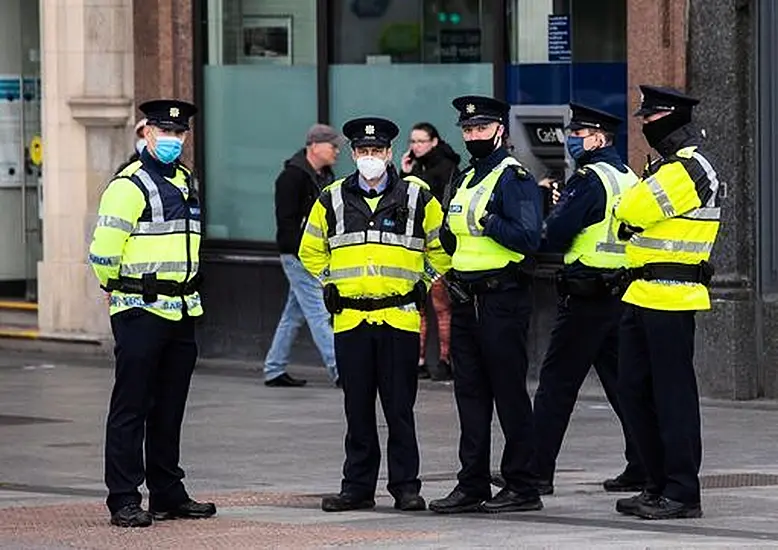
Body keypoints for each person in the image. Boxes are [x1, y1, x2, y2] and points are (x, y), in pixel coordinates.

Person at [299, 117, 451, 513]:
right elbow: (310, 250)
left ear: (388, 154)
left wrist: (425, 280)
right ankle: (358, 488)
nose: (370, 157)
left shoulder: (416, 197)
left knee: (400, 409)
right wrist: (329, 282)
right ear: (353, 154)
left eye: (376, 151)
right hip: (351, 320)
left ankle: (406, 487)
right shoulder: (331, 197)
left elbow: (441, 249)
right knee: (358, 409)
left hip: (398, 317)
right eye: (363, 151)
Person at [89, 99, 216, 528]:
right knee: (132, 406)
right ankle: (124, 497)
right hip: (140, 309)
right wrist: (114, 289)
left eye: (179, 133)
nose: (172, 140)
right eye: (164, 131)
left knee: (170, 406)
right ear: (146, 133)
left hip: (181, 308)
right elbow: (104, 250)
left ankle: (167, 491)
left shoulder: (185, 181)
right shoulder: (129, 184)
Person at [429, 96, 543, 514]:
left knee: (510, 395)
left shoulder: (514, 178)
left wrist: (489, 222)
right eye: (468, 130)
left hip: (502, 301)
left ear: (499, 130)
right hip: (466, 301)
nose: (473, 136)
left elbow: (529, 238)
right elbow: (452, 234)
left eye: (481, 129)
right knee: (470, 396)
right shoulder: (465, 177)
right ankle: (472, 483)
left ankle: (522, 486)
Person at [613, 85, 721, 520]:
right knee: (634, 391)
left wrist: (631, 212)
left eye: (650, 119)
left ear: (672, 118)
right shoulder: (664, 168)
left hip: (673, 296)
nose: (645, 127)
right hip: (639, 292)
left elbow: (631, 210)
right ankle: (656, 485)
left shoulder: (691, 168)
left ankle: (681, 491)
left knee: (672, 396)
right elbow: (630, 212)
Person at [528, 102, 644, 495]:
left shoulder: (589, 179)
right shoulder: (628, 176)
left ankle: (535, 472)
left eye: (576, 135)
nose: (571, 141)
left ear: (597, 138)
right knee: (622, 384)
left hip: (586, 295)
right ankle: (642, 464)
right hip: (622, 292)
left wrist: (545, 223)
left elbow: (558, 232)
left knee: (556, 384)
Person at [263, 124, 342, 387]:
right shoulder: (291, 178)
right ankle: (341, 369)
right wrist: (304, 253)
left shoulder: (326, 177)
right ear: (315, 145)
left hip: (315, 253)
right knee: (319, 311)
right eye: (333, 145)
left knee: (293, 313)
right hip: (298, 255)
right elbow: (286, 222)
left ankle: (274, 368)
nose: (337, 151)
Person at [400, 122, 461, 380]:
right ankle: (420, 360)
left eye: (421, 141)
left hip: (436, 247)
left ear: (434, 141)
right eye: (412, 142)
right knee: (418, 306)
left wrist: (409, 176)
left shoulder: (445, 167)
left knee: (440, 306)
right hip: (415, 246)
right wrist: (405, 172)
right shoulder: (418, 167)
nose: (415, 146)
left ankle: (444, 360)